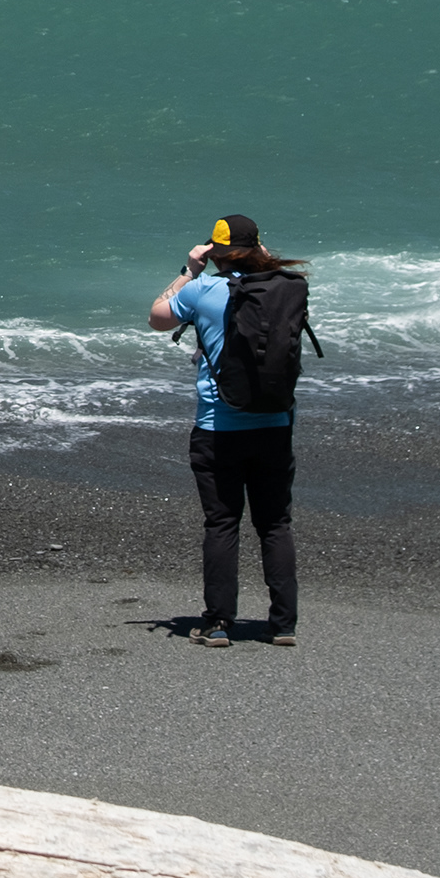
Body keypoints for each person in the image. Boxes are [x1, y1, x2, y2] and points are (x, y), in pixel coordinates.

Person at [147, 212, 312, 645]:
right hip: (274, 422)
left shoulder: (202, 290)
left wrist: (189, 270)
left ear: (216, 251)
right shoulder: (284, 289)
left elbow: (158, 317)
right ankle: (283, 625)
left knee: (222, 523)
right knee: (275, 523)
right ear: (258, 247)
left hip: (218, 428)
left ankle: (219, 622)